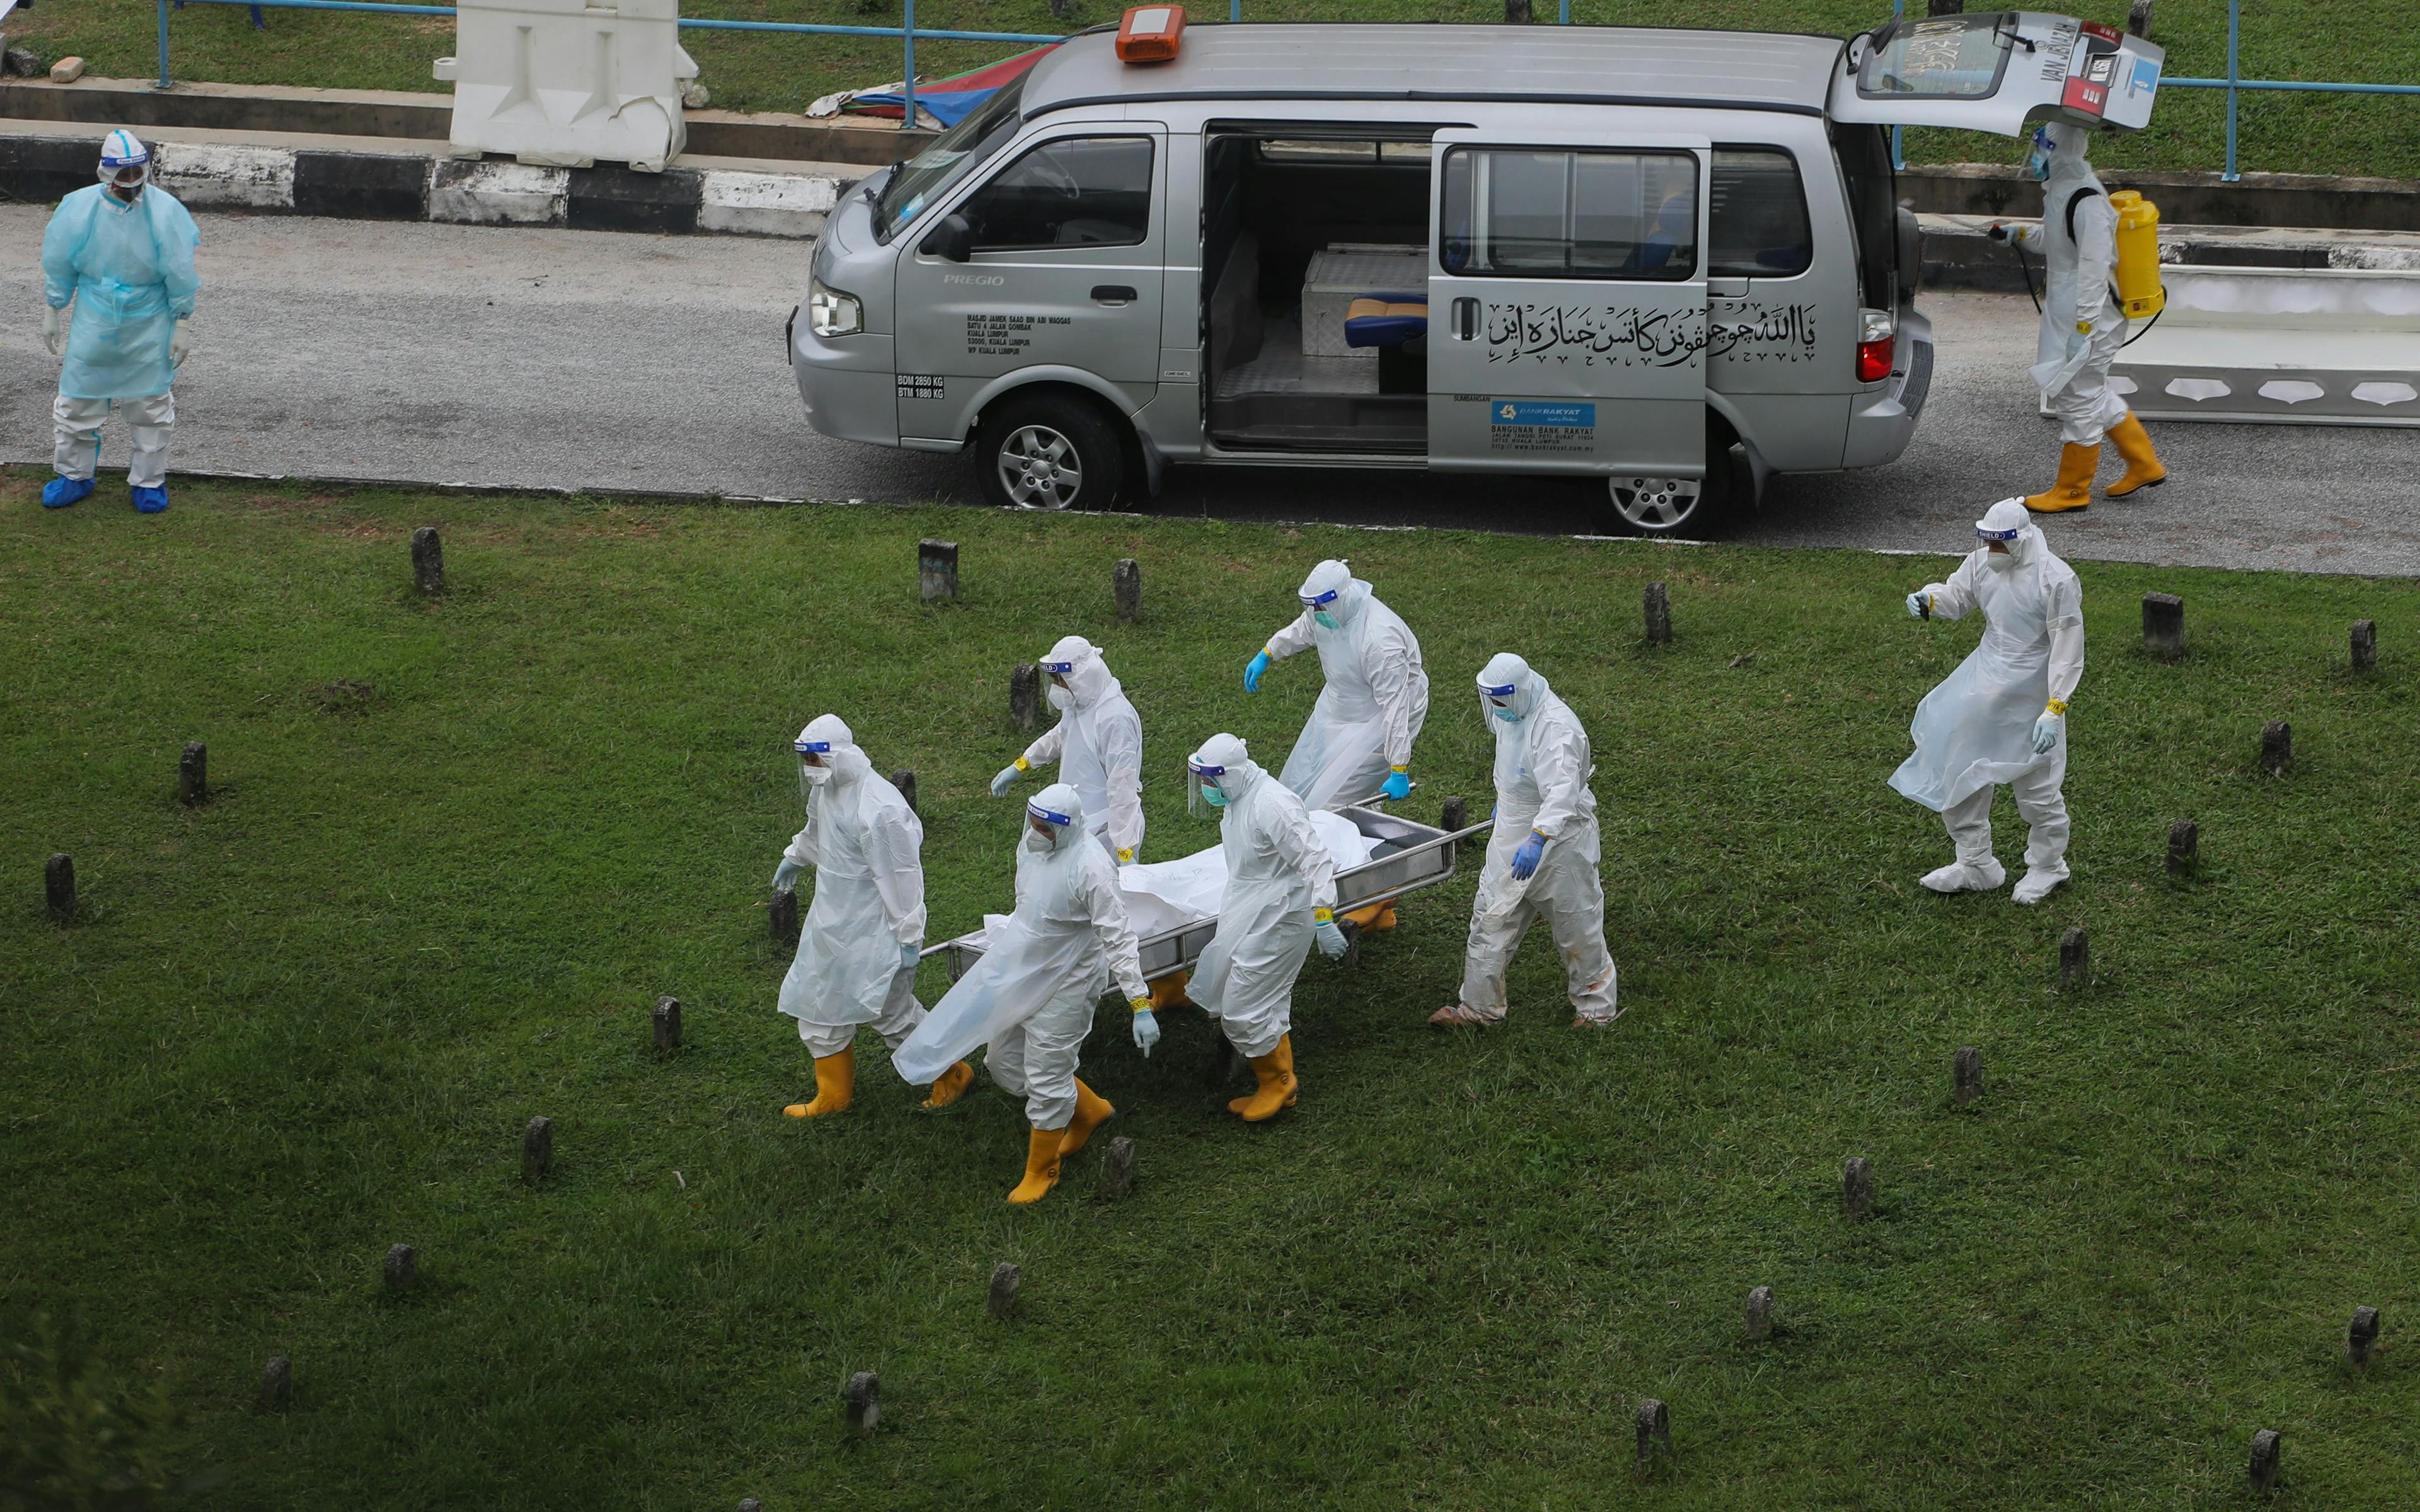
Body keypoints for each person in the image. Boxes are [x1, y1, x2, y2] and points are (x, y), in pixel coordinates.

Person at [892, 784, 1154, 1205]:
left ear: (1067, 829)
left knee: (1049, 1073)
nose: (1036, 831)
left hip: (1069, 978)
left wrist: (1139, 1002)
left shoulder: (1091, 867)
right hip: (1024, 966)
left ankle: (1043, 1170)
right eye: (1033, 822)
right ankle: (1089, 1111)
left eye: (1046, 827)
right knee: (1003, 1062)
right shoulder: (1034, 844)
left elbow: (1118, 936)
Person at [772, 716, 972, 1117]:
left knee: (889, 1011)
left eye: (816, 757)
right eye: (806, 759)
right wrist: (794, 858)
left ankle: (951, 1072)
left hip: (878, 927)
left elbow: (901, 878)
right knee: (819, 1003)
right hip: (832, 919)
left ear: (840, 755)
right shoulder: (827, 787)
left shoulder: (879, 808)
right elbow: (817, 832)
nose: (811, 767)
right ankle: (833, 1097)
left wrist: (909, 938)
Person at [1892, 498, 2084, 905]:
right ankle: (1976, 863)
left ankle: (2049, 865)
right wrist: (1930, 599)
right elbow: (1959, 596)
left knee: (2037, 782)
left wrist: (2056, 707)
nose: (1994, 551)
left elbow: (2068, 646)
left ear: (2023, 539)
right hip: (1984, 680)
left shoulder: (2056, 579)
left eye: (2002, 544)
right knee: (1960, 766)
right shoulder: (1983, 562)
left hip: (2032, 692)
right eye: (1988, 542)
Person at [1432, 654, 1619, 1029]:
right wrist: (1504, 806)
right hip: (1511, 835)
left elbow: (1562, 792)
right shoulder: (1513, 714)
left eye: (1500, 700)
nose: (1496, 709)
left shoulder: (1556, 728)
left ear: (1519, 691)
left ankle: (1596, 1010)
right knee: (1490, 918)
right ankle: (1477, 1009)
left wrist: (1538, 838)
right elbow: (1513, 768)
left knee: (1576, 923)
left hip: (1560, 840)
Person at [1991, 122, 2165, 514]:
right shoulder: (2062, 191)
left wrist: (2084, 328)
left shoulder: (2087, 200)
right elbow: (2059, 246)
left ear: (2060, 150)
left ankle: (2073, 490)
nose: (2036, 158)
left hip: (2089, 312)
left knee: (2078, 395)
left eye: (2042, 149)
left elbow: (2093, 268)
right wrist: (2020, 234)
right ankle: (2143, 463)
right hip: (2069, 307)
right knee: (2084, 389)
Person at [1184, 733, 1346, 1123]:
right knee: (1265, 998)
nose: (1206, 788)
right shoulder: (1240, 797)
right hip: (1256, 907)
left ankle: (1278, 1083)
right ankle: (1279, 1081)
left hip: (1283, 915)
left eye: (1211, 780)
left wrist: (1324, 916)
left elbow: (1316, 860)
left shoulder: (1272, 804)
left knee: (1241, 1008)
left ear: (1233, 774)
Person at [39, 130, 201, 515]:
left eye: (136, 173)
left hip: (149, 318)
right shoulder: (78, 208)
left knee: (150, 404)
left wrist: (182, 321)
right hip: (95, 316)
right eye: (122, 175)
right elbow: (60, 261)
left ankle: (149, 482)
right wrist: (53, 308)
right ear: (104, 173)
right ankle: (74, 476)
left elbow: (179, 270)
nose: (130, 183)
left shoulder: (164, 211)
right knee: (79, 398)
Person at [1244, 559, 1429, 814]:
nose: (1317, 612)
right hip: (1340, 703)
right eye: (1312, 606)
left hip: (1379, 716)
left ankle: (1344, 843)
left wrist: (1398, 767)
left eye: (1320, 605)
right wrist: (1268, 652)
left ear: (1343, 595)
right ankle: (1366, 829)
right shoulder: (1325, 611)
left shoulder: (1379, 641)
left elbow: (1395, 707)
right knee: (1304, 778)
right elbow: (1305, 628)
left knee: (1337, 801)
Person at [991, 634, 1145, 866]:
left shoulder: (1116, 719)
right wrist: (1022, 764)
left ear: (1082, 675)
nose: (1056, 687)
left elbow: (1122, 787)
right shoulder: (1081, 703)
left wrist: (1125, 849)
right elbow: (1060, 736)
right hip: (1075, 823)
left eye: (1060, 679)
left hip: (1105, 833)